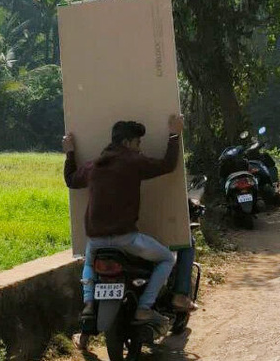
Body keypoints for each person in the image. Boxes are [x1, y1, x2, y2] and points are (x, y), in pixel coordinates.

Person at [63, 114, 193, 324]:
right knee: (167, 259)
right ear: (126, 143)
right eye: (137, 143)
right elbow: (168, 165)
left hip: (95, 240)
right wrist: (174, 135)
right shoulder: (133, 161)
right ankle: (144, 307)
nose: (139, 148)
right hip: (126, 239)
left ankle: (88, 304)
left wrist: (70, 152)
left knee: (89, 262)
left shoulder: (93, 166)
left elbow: (70, 180)